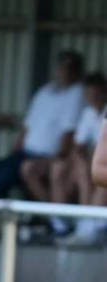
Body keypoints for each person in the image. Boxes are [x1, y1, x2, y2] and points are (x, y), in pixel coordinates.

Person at [0, 50, 84, 204]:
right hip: (25, 153)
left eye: (70, 66)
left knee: (11, 173)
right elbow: (27, 126)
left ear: (77, 70)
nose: (65, 70)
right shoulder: (45, 91)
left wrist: (55, 158)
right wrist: (14, 151)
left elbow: (69, 133)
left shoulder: (77, 94)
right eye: (62, 66)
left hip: (45, 157)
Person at [54, 73, 107, 247]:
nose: (93, 98)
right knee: (69, 168)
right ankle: (64, 225)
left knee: (98, 177)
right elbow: (78, 146)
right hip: (95, 165)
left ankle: (87, 228)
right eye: (90, 94)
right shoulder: (88, 113)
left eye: (96, 93)